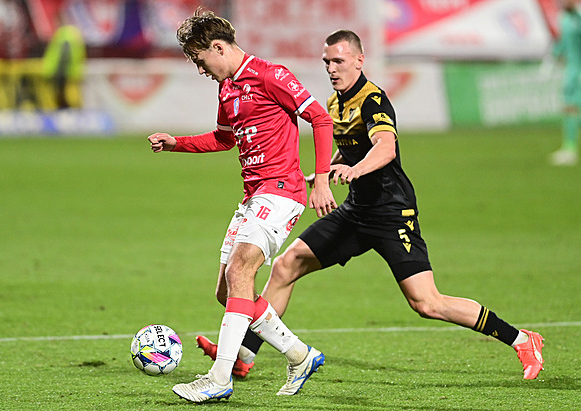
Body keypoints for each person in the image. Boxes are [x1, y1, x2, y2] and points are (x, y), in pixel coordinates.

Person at [197, 29, 545, 381]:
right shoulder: (336, 102)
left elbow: (385, 148)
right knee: (287, 265)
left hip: (391, 212)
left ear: (359, 61)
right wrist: (329, 168)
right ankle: (243, 354)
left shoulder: (372, 99)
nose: (331, 69)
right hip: (356, 211)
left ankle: (521, 339)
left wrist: (355, 170)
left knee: (426, 302)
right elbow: (351, 146)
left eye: (338, 61)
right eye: (327, 62)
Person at [147, 9, 337, 403]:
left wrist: (321, 179)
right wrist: (176, 143)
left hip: (281, 191)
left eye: (201, 60)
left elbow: (320, 119)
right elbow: (224, 138)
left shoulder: (271, 75)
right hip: (253, 197)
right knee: (228, 291)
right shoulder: (227, 89)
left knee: (240, 269)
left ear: (218, 47)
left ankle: (219, 378)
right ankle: (300, 355)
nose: (201, 69)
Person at [551, 0, 581, 166]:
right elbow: (563, 42)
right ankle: (569, 147)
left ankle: (570, 148)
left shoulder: (577, 18)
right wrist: (557, 52)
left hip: (578, 71)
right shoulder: (564, 19)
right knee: (569, 108)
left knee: (572, 108)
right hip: (571, 70)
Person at [42, 17, 86, 109]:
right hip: (73, 73)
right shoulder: (75, 34)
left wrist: (59, 75)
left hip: (62, 74)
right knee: (74, 101)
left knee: (64, 101)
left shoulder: (64, 35)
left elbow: (64, 57)